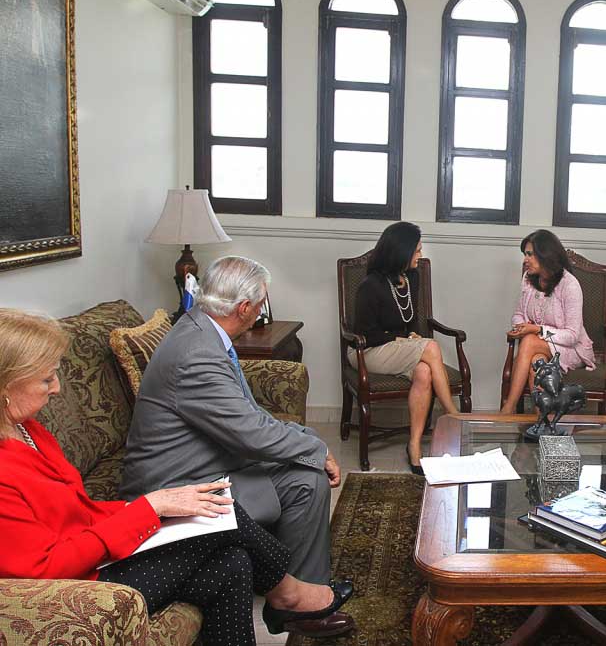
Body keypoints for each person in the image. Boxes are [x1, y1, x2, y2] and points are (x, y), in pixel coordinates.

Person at [0, 309, 354, 644]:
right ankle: (289, 595)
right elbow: (45, 569)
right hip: (82, 588)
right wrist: (150, 508)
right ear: (5, 386)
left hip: (94, 558)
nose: (57, 388)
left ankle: (288, 595)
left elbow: (81, 511)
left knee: (231, 559)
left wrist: (151, 508)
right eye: (46, 378)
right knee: (223, 517)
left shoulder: (29, 430)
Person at [121, 256, 341, 586]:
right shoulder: (198, 354)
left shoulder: (201, 327)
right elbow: (252, 434)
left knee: (305, 466)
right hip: (179, 484)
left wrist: (305, 437)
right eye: (261, 303)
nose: (262, 310)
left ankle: (300, 586)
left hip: (204, 462)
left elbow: (246, 415)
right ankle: (301, 596)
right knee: (307, 481)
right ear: (244, 308)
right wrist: (316, 448)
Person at [349, 222, 460, 476]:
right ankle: (453, 416)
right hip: (368, 352)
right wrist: (401, 338)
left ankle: (414, 446)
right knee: (431, 346)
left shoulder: (412, 277)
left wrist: (409, 336)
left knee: (424, 372)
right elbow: (365, 335)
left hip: (396, 349)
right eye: (417, 250)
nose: (420, 255)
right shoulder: (370, 285)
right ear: (401, 251)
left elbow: (410, 319)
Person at [500, 229, 596, 414]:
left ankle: (508, 408)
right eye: (525, 254)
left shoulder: (569, 285)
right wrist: (520, 327)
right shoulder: (528, 279)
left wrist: (535, 330)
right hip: (539, 347)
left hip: (571, 349)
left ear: (546, 255)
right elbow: (519, 313)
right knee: (537, 364)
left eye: (530, 254)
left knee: (529, 341)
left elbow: (572, 336)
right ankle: (541, 422)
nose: (525, 260)